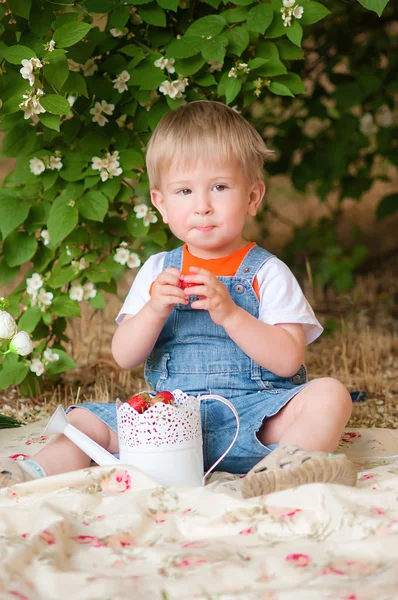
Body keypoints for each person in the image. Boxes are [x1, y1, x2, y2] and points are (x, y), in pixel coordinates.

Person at [0, 101, 357, 495]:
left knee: (329, 395)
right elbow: (124, 356)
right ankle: (28, 476)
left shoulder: (267, 272)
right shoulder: (158, 270)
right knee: (85, 420)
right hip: (164, 425)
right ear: (161, 204)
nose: (202, 206)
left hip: (255, 421)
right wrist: (154, 309)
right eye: (184, 191)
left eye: (220, 187)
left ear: (253, 197)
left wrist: (231, 314)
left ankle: (281, 472)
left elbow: (289, 359)